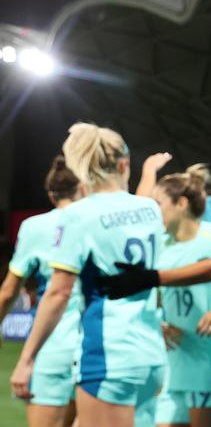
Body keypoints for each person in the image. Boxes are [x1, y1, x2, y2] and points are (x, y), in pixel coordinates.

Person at [10, 123, 167, 427]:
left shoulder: (78, 216)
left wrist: (28, 358)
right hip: (151, 354)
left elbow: (59, 292)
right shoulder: (150, 208)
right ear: (124, 165)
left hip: (109, 354)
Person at [151, 166, 211, 427]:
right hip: (173, 362)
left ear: (181, 203)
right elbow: (156, 300)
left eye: (157, 203)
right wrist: (157, 324)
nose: (153, 211)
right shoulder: (159, 245)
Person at [0, 156, 82, 427]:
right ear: (81, 188)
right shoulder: (96, 220)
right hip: (95, 343)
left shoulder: (34, 227)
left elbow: (9, 290)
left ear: (50, 194)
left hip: (53, 343)